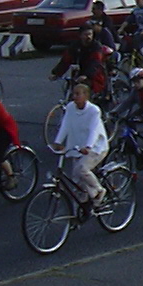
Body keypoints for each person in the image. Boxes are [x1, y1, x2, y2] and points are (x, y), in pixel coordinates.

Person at [53, 79, 108, 208]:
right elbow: (65, 124)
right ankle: (83, 205)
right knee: (76, 179)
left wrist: (88, 146)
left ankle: (99, 190)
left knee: (82, 169)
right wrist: (57, 141)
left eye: (78, 94)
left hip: (95, 147)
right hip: (77, 146)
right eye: (74, 94)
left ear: (86, 96)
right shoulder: (70, 107)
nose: (75, 97)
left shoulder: (94, 111)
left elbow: (94, 130)